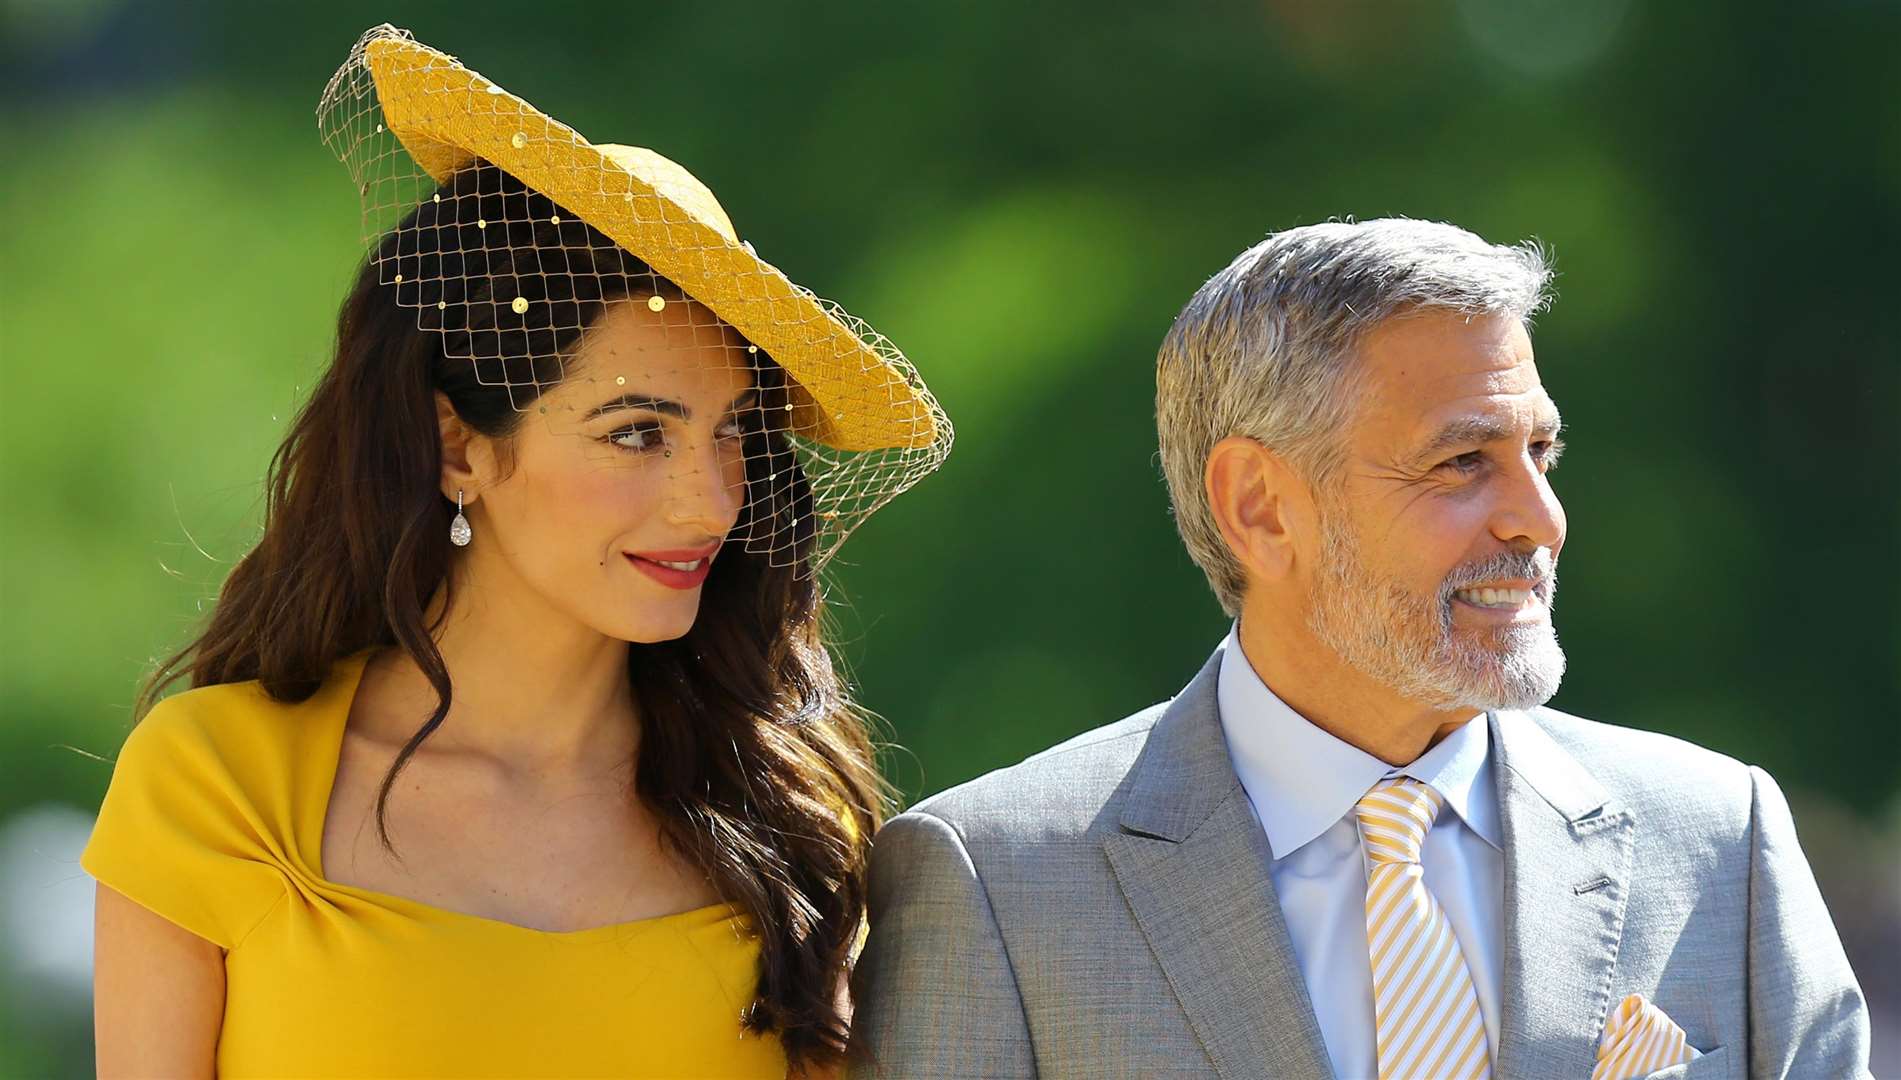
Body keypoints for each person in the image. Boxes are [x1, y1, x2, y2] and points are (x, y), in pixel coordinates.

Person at [84, 24, 949, 1079]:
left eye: (732, 433)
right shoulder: (219, 783)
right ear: (458, 446)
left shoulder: (786, 815)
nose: (709, 499)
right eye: (637, 432)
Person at [851, 218, 1869, 1079]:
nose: (1537, 518)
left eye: (1539, 453)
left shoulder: (1718, 839)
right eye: (1462, 461)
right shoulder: (993, 885)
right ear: (1258, 506)